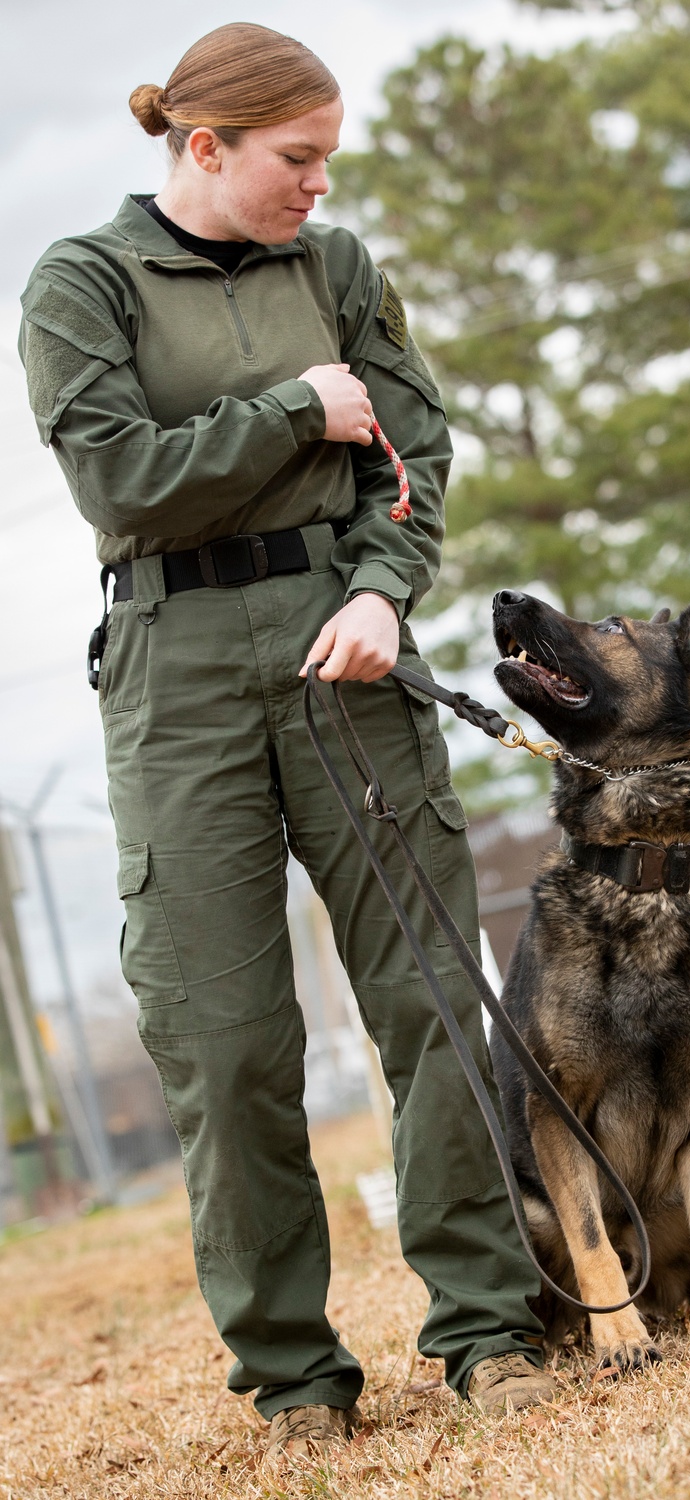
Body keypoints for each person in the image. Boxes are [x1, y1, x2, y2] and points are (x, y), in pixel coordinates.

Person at [19, 22, 554, 1472]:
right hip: (174, 677)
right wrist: (290, 411)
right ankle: (295, 1377)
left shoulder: (341, 269)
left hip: (347, 640)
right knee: (228, 1041)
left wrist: (386, 585)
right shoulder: (81, 282)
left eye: (328, 160)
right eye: (295, 161)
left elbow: (418, 445)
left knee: (432, 992)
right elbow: (121, 480)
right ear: (206, 148)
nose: (318, 186)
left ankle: (490, 1331)